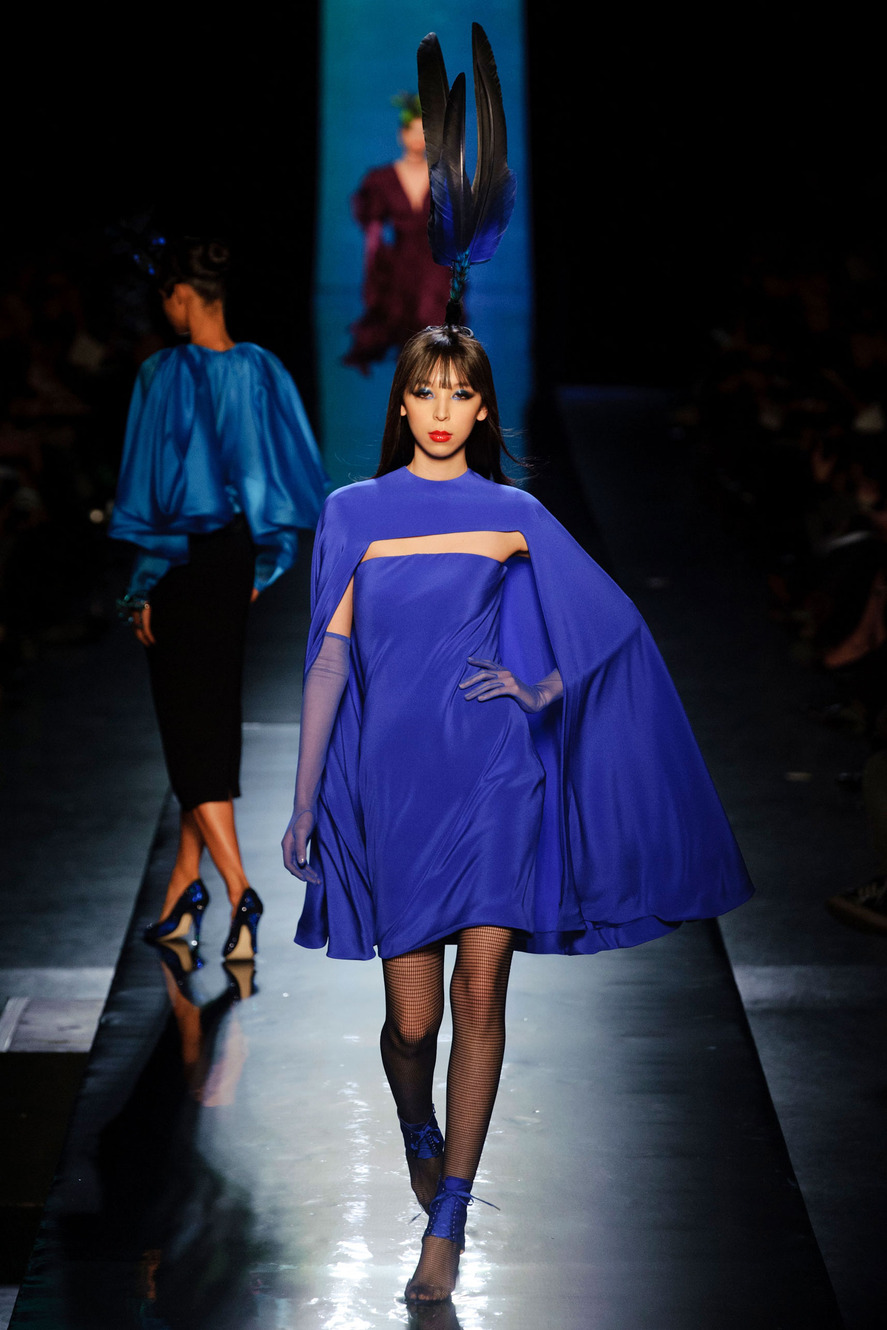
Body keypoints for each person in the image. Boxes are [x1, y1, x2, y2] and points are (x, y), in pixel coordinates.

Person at [282, 324, 753, 1303]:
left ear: (483, 408)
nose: (442, 410)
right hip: (394, 785)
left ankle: (447, 1219)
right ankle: (416, 1125)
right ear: (401, 403)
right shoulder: (352, 511)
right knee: (411, 1022)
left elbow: (607, 620)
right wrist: (303, 798)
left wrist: (539, 690)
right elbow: (330, 657)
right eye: (426, 391)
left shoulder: (513, 513)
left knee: (480, 995)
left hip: (496, 778)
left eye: (460, 393)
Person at [111, 237, 328, 961]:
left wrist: (141, 583)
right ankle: (183, 891)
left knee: (188, 730)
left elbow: (156, 494)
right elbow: (283, 473)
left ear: (181, 296)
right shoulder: (261, 370)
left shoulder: (163, 374)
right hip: (234, 561)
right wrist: (268, 557)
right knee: (209, 720)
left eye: (166, 297)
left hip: (180, 564)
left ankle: (239, 892)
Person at [343, 93, 453, 373]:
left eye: (423, 132)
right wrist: (372, 274)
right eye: (411, 131)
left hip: (435, 270)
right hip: (399, 270)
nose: (417, 138)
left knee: (433, 342)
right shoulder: (381, 179)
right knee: (405, 345)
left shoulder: (443, 179)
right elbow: (373, 233)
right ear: (401, 135)